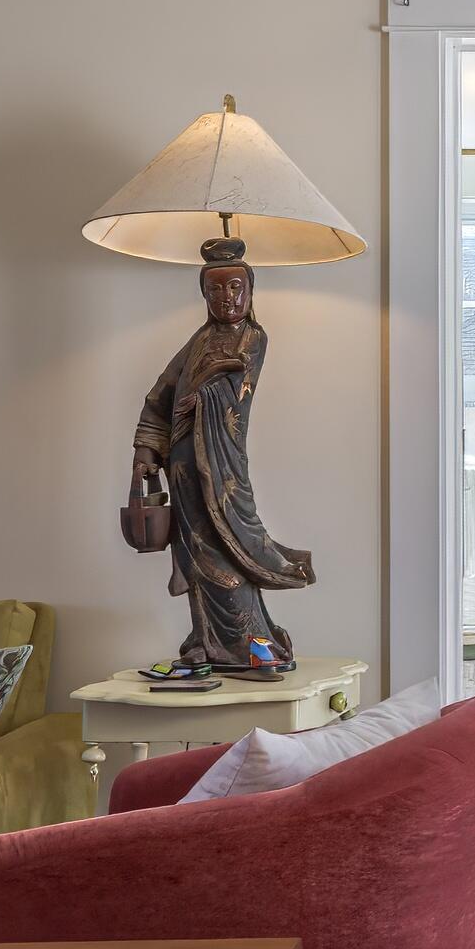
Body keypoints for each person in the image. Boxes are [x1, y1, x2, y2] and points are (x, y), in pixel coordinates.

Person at [130, 235, 315, 669]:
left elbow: (235, 388)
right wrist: (146, 447)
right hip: (183, 466)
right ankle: (205, 640)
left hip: (222, 467)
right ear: (203, 295)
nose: (226, 298)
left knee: (227, 544)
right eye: (215, 289)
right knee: (194, 549)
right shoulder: (199, 340)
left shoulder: (252, 338)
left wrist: (202, 395)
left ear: (249, 292)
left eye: (235, 287)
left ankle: (251, 643)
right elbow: (161, 393)